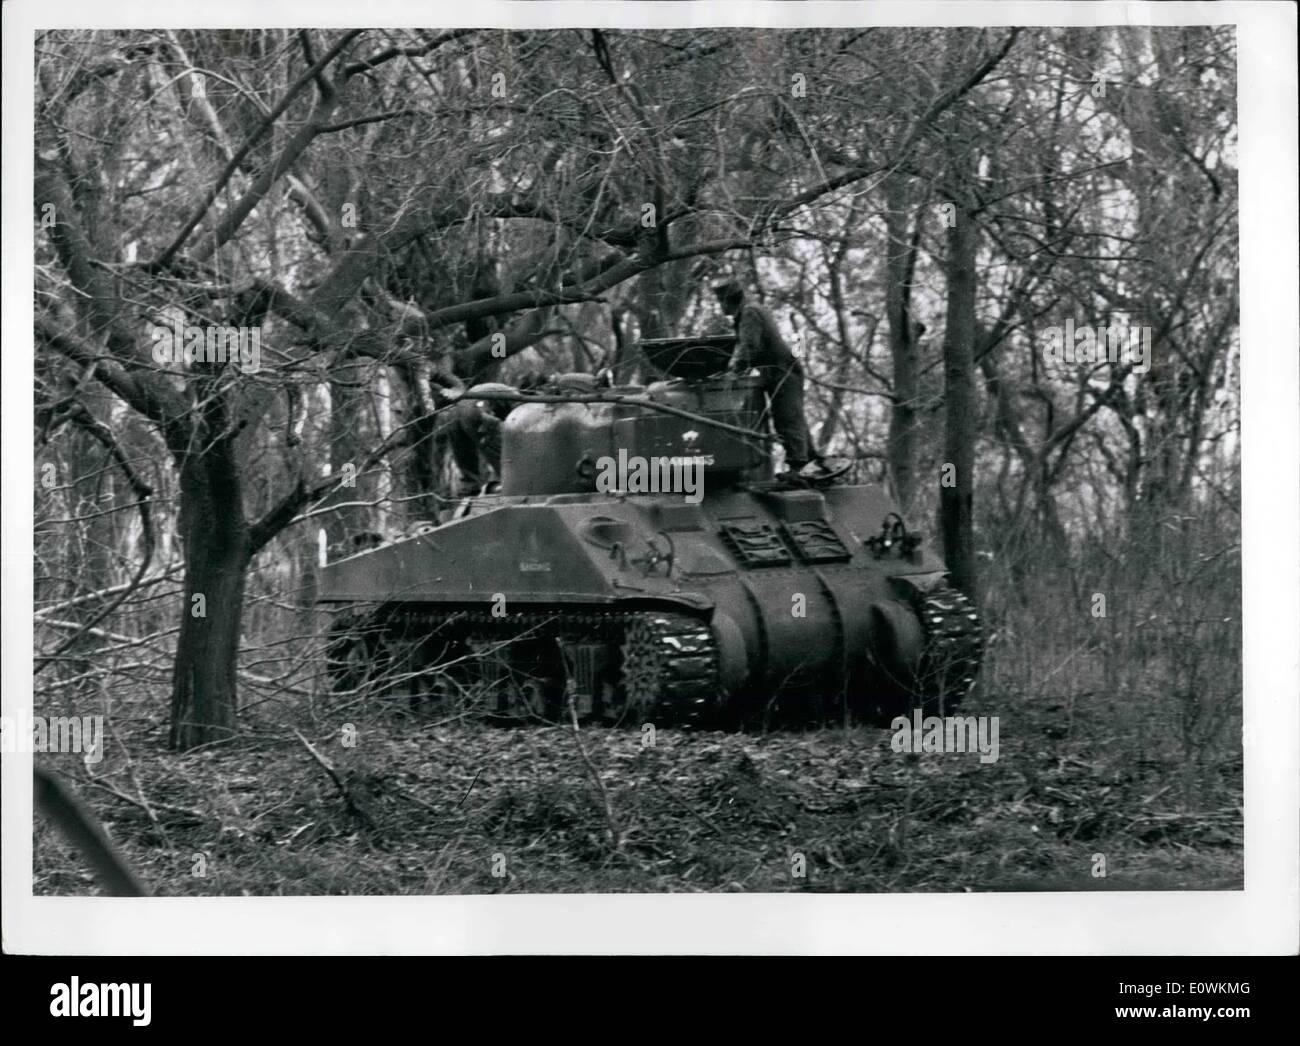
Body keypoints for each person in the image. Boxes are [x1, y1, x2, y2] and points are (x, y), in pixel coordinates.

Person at [712, 280, 827, 479]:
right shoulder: (749, 310)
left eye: (720, 302)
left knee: (787, 417)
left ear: (726, 301)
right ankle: (809, 460)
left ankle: (799, 468)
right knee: (791, 415)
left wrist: (734, 370)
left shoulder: (749, 312)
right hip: (778, 370)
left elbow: (749, 346)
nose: (720, 307)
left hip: (782, 370)